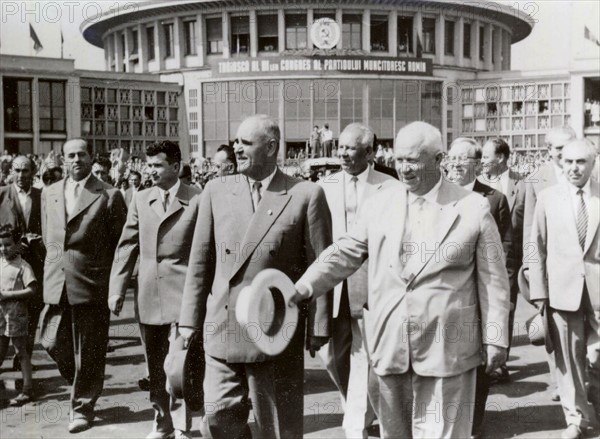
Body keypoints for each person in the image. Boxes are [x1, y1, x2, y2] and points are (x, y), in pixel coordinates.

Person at [292, 121, 510, 438]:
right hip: (388, 345)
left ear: (439, 160)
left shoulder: (472, 208)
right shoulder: (379, 204)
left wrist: (495, 337)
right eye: (399, 159)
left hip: (447, 348)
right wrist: (304, 285)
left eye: (413, 160)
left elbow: (494, 281)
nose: (403, 169)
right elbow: (344, 253)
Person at [178, 114, 332, 439]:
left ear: (271, 147)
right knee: (218, 418)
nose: (236, 148)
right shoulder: (216, 190)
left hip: (275, 330)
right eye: (235, 141)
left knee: (277, 428)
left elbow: (321, 266)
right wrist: (188, 322)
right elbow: (199, 263)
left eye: (245, 143)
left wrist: (318, 327)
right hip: (222, 326)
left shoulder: (305, 194)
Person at [109, 141, 201, 439]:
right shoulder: (141, 198)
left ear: (176, 167)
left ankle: (183, 425)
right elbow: (127, 245)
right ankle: (161, 422)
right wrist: (117, 288)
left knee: (178, 366)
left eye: (157, 165)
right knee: (155, 366)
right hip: (148, 295)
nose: (151, 171)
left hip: (183, 296)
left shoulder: (197, 198)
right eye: (148, 165)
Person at [39, 138, 127, 434]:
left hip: (91, 283)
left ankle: (83, 408)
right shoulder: (50, 193)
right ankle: (82, 381)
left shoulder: (109, 195)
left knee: (88, 349)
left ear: (91, 158)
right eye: (70, 155)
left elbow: (120, 245)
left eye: (82, 154)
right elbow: (49, 236)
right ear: (63, 160)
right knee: (50, 340)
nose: (76, 160)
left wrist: (115, 285)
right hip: (56, 281)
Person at [318, 123, 395, 438]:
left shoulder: (390, 187)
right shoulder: (325, 185)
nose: (343, 154)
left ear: (370, 152)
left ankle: (355, 424)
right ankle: (360, 407)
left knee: (363, 355)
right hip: (334, 285)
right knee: (331, 356)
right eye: (340, 147)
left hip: (372, 286)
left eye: (350, 149)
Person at [529, 139, 600, 439]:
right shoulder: (548, 198)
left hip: (598, 293)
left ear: (593, 164)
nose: (573, 168)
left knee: (596, 357)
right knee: (568, 360)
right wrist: (539, 294)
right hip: (561, 291)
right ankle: (576, 419)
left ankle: (592, 406)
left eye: (581, 162)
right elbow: (537, 248)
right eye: (568, 161)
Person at [447, 137, 513, 439]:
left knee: (481, 362)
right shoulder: (438, 196)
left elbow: (507, 253)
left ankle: (473, 424)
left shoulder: (495, 200)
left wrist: (504, 299)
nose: (456, 165)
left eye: (463, 160)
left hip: (480, 293)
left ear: (477, 164)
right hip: (448, 296)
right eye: (452, 159)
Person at [523, 125, 577, 401]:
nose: (565, 154)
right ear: (548, 150)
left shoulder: (591, 172)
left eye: (570, 146)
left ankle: (585, 382)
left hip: (584, 267)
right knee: (553, 330)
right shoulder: (536, 180)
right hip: (552, 270)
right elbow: (531, 232)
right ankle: (560, 383)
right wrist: (532, 271)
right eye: (559, 148)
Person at [480, 138, 527, 383]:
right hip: (482, 260)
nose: (482, 161)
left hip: (510, 259)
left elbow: (527, 224)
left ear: (500, 157)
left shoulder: (522, 184)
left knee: (506, 309)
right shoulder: (477, 186)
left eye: (486, 157)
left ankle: (500, 362)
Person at [0, 156, 45, 371]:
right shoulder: (2, 195)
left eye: (25, 171)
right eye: (16, 170)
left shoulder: (42, 196)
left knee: (32, 314)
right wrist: (14, 247)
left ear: (33, 172)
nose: (20, 175)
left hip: (34, 266)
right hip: (6, 268)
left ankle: (23, 360)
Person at [0, 224, 37, 406]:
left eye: (7, 244)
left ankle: (27, 389)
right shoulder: (0, 263)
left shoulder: (23, 266)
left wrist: (8, 295)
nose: (3, 249)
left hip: (16, 315)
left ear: (16, 245)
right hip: (0, 315)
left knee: (20, 352)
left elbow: (32, 289)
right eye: (0, 245)